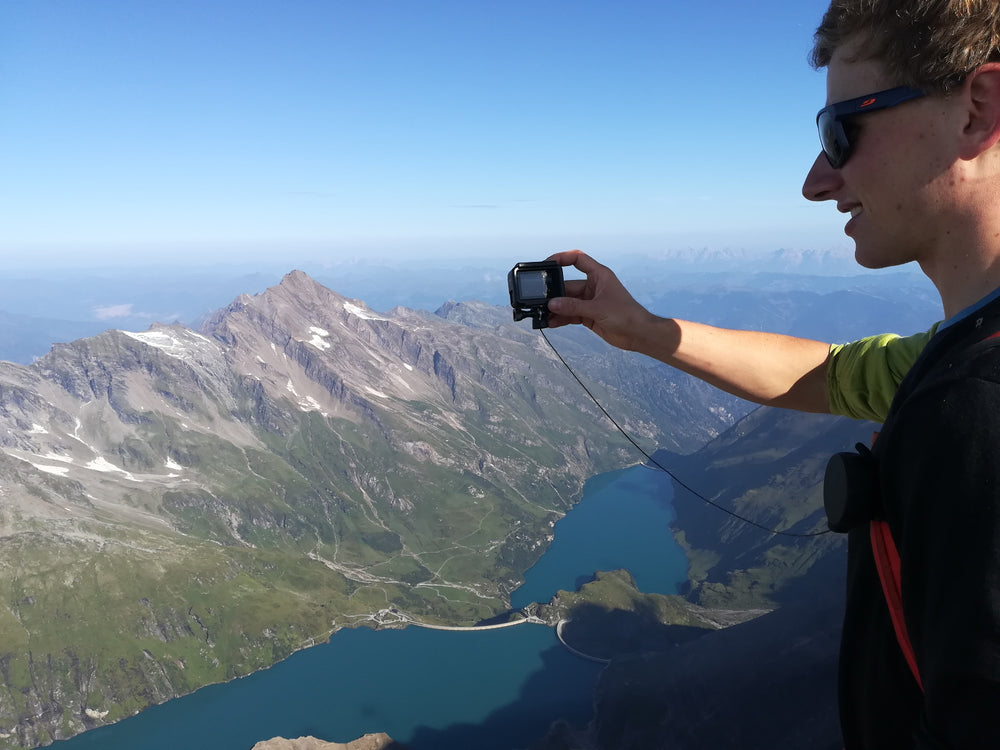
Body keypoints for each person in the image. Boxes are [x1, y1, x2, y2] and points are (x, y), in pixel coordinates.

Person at [544, 1, 1000, 747]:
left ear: (978, 108)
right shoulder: (954, 358)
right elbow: (831, 373)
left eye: (840, 132)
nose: (816, 182)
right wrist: (646, 331)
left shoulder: (979, 407)